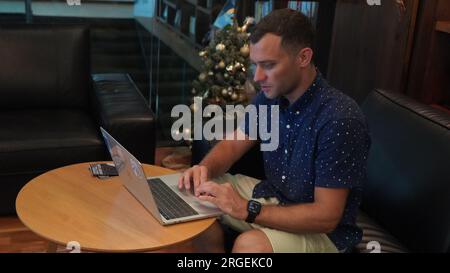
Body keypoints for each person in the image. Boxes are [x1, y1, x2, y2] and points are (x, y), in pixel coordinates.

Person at [179, 8, 371, 253]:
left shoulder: (339, 118)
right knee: (198, 195)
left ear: (303, 58)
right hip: (275, 197)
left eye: (268, 65)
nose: (258, 77)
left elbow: (326, 216)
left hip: (324, 233)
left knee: (250, 247)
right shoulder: (270, 98)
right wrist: (203, 169)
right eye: (255, 65)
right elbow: (232, 145)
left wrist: (247, 209)